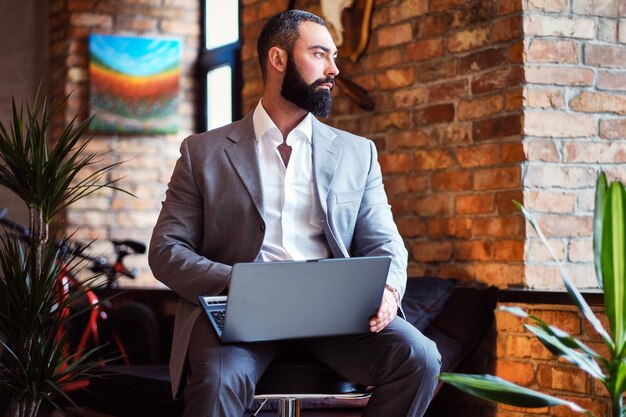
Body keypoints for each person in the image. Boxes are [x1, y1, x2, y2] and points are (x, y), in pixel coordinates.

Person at [149, 9, 441, 417]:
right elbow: (166, 250)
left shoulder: (358, 153)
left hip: (335, 314)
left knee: (421, 359)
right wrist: (240, 282)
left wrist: (390, 291)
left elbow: (384, 241)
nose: (334, 69)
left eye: (334, 56)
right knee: (218, 382)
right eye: (320, 54)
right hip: (237, 312)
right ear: (279, 59)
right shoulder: (203, 153)